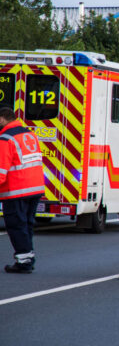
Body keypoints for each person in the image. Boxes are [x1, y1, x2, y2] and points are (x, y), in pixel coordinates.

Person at [0, 108, 45, 274]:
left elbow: (1, 170)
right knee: (26, 225)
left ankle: (24, 261)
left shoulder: (6, 139)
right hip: (34, 188)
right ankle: (28, 257)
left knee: (16, 226)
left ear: (2, 119)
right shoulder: (29, 134)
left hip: (16, 189)